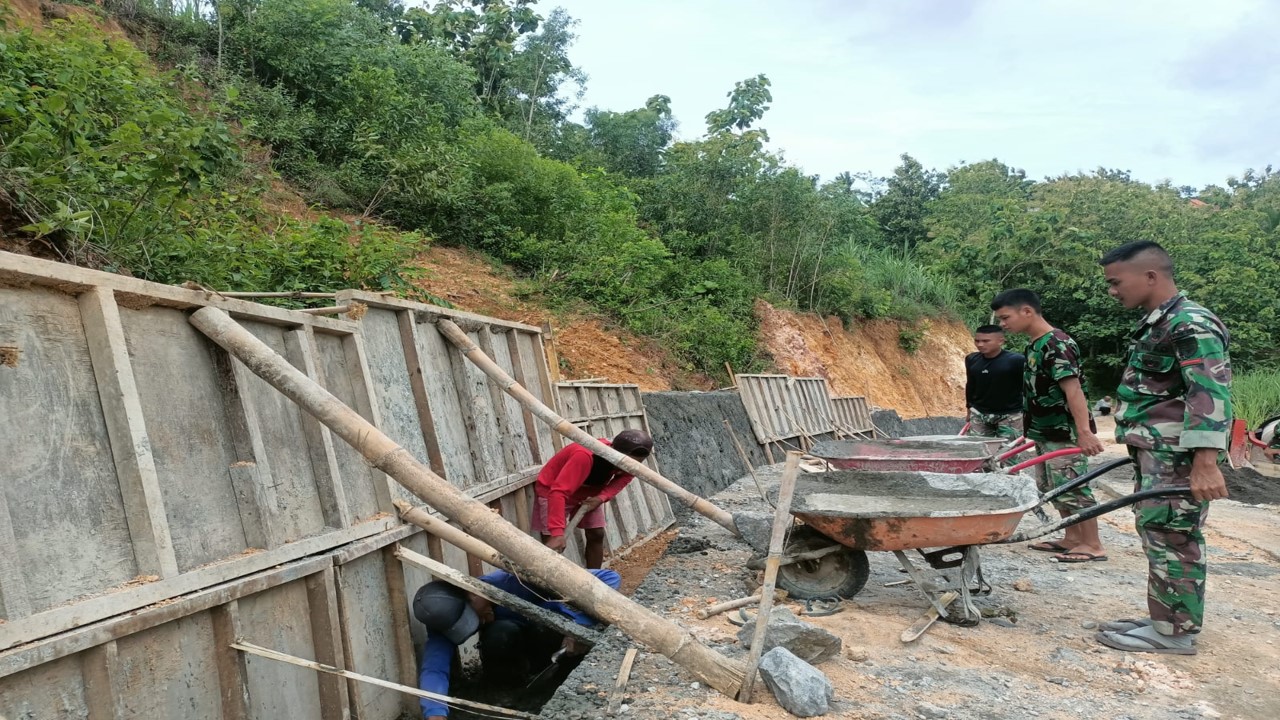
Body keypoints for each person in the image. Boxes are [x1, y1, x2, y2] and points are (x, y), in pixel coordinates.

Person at [1094, 241, 1232, 656]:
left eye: (1116, 282)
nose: (1112, 291)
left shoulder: (1191, 323)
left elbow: (1209, 393)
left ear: (1150, 276)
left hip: (1179, 457)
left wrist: (1206, 463)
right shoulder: (1161, 323)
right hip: (1161, 453)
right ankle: (1167, 617)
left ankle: (1175, 633)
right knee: (1158, 532)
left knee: (1173, 535)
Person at [991, 288, 1106, 563]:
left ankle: (1093, 544)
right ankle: (1072, 538)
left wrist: (1084, 432)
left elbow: (1074, 391)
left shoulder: (1057, 343)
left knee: (1074, 485)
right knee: (1055, 486)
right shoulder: (1036, 344)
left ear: (1027, 311)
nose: (1002, 325)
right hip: (1045, 430)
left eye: (1005, 317)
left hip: (1063, 431)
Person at [414, 569, 621, 719]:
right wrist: (435, 714)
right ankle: (509, 691)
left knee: (544, 624)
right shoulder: (444, 621)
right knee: (499, 633)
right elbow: (434, 669)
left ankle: (557, 681)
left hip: (556, 644)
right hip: (516, 649)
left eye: (474, 617)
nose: (481, 622)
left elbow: (609, 578)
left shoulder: (515, 581)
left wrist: (578, 627)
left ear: (474, 594)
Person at [534, 429, 654, 569]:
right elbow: (558, 492)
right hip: (552, 490)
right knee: (553, 541)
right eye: (627, 463)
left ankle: (594, 578)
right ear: (614, 452)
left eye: (636, 463)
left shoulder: (630, 461)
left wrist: (601, 497)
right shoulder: (585, 455)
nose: (630, 467)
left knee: (596, 533)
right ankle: (549, 582)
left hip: (589, 493)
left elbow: (625, 477)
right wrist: (557, 532)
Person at [964, 324, 1025, 439]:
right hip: (979, 414)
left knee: (1008, 453)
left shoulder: (1016, 360)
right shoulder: (971, 359)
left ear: (1000, 341)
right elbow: (971, 385)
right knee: (979, 451)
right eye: (977, 341)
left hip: (1010, 415)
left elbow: (1028, 387)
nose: (980, 344)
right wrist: (969, 410)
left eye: (986, 341)